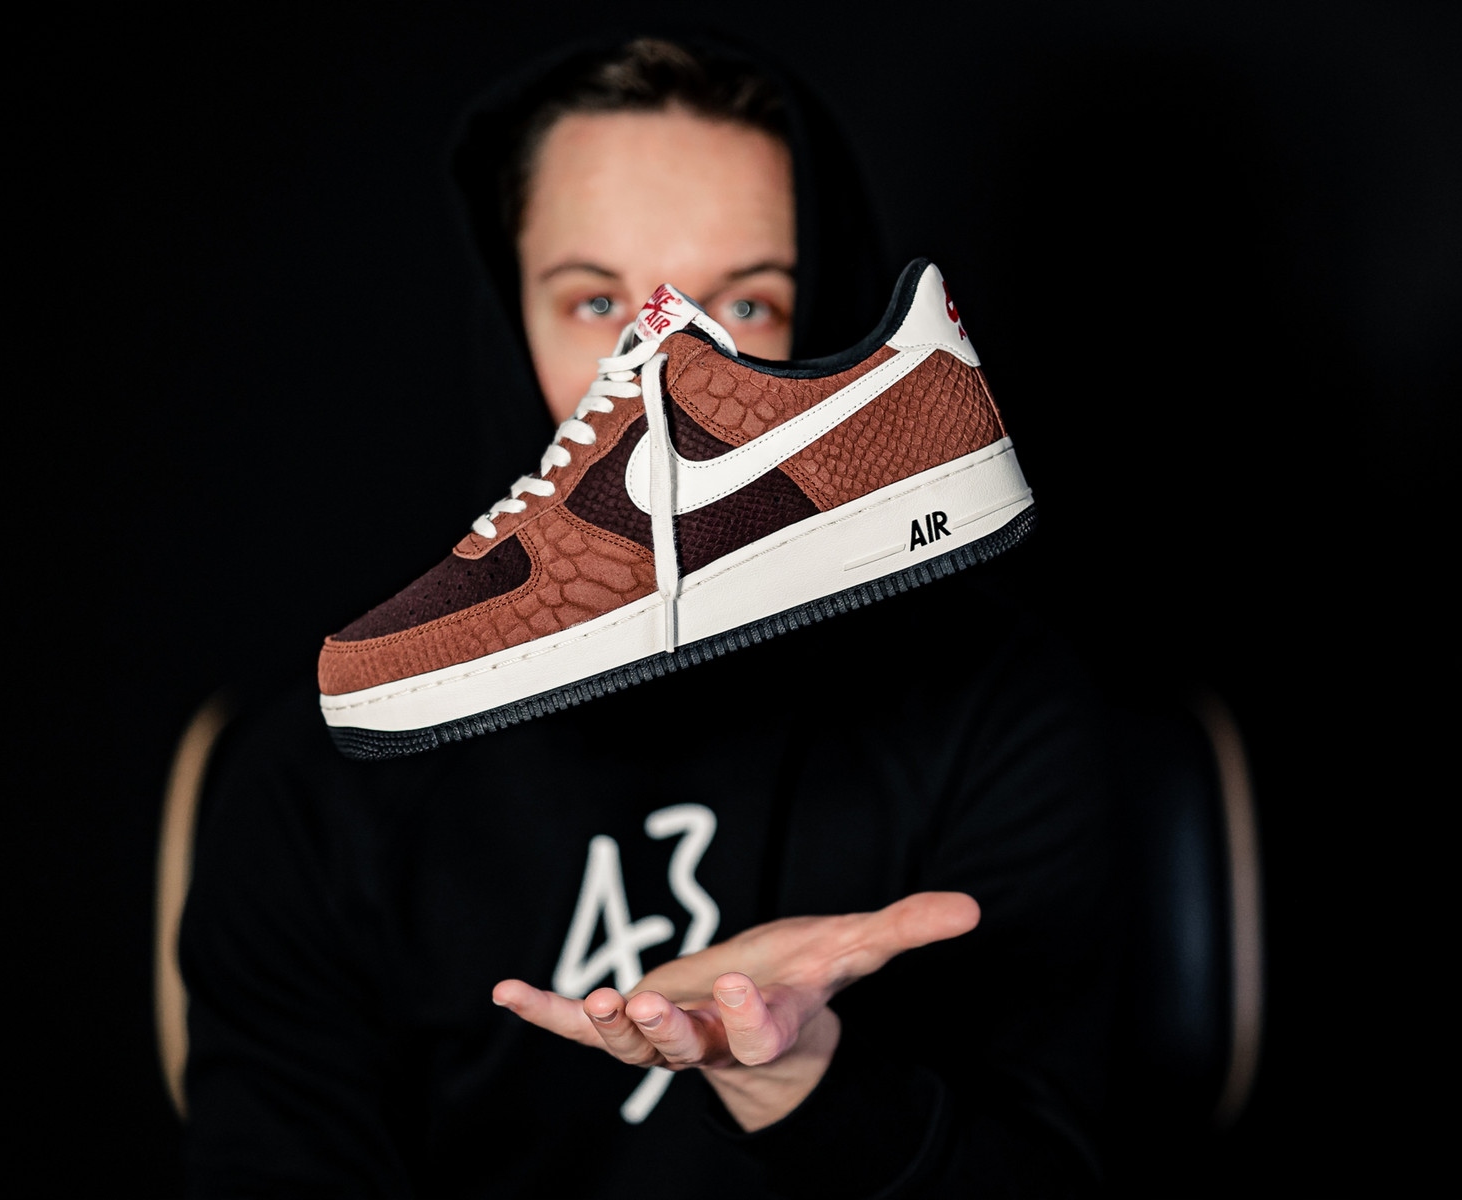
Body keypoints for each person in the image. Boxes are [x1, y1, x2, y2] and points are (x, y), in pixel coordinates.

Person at [180, 36, 1114, 1197]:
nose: (645, 355)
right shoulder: (318, 772)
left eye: (744, 303)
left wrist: (804, 1082)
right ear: (505, 317)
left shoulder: (999, 710)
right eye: (594, 302)